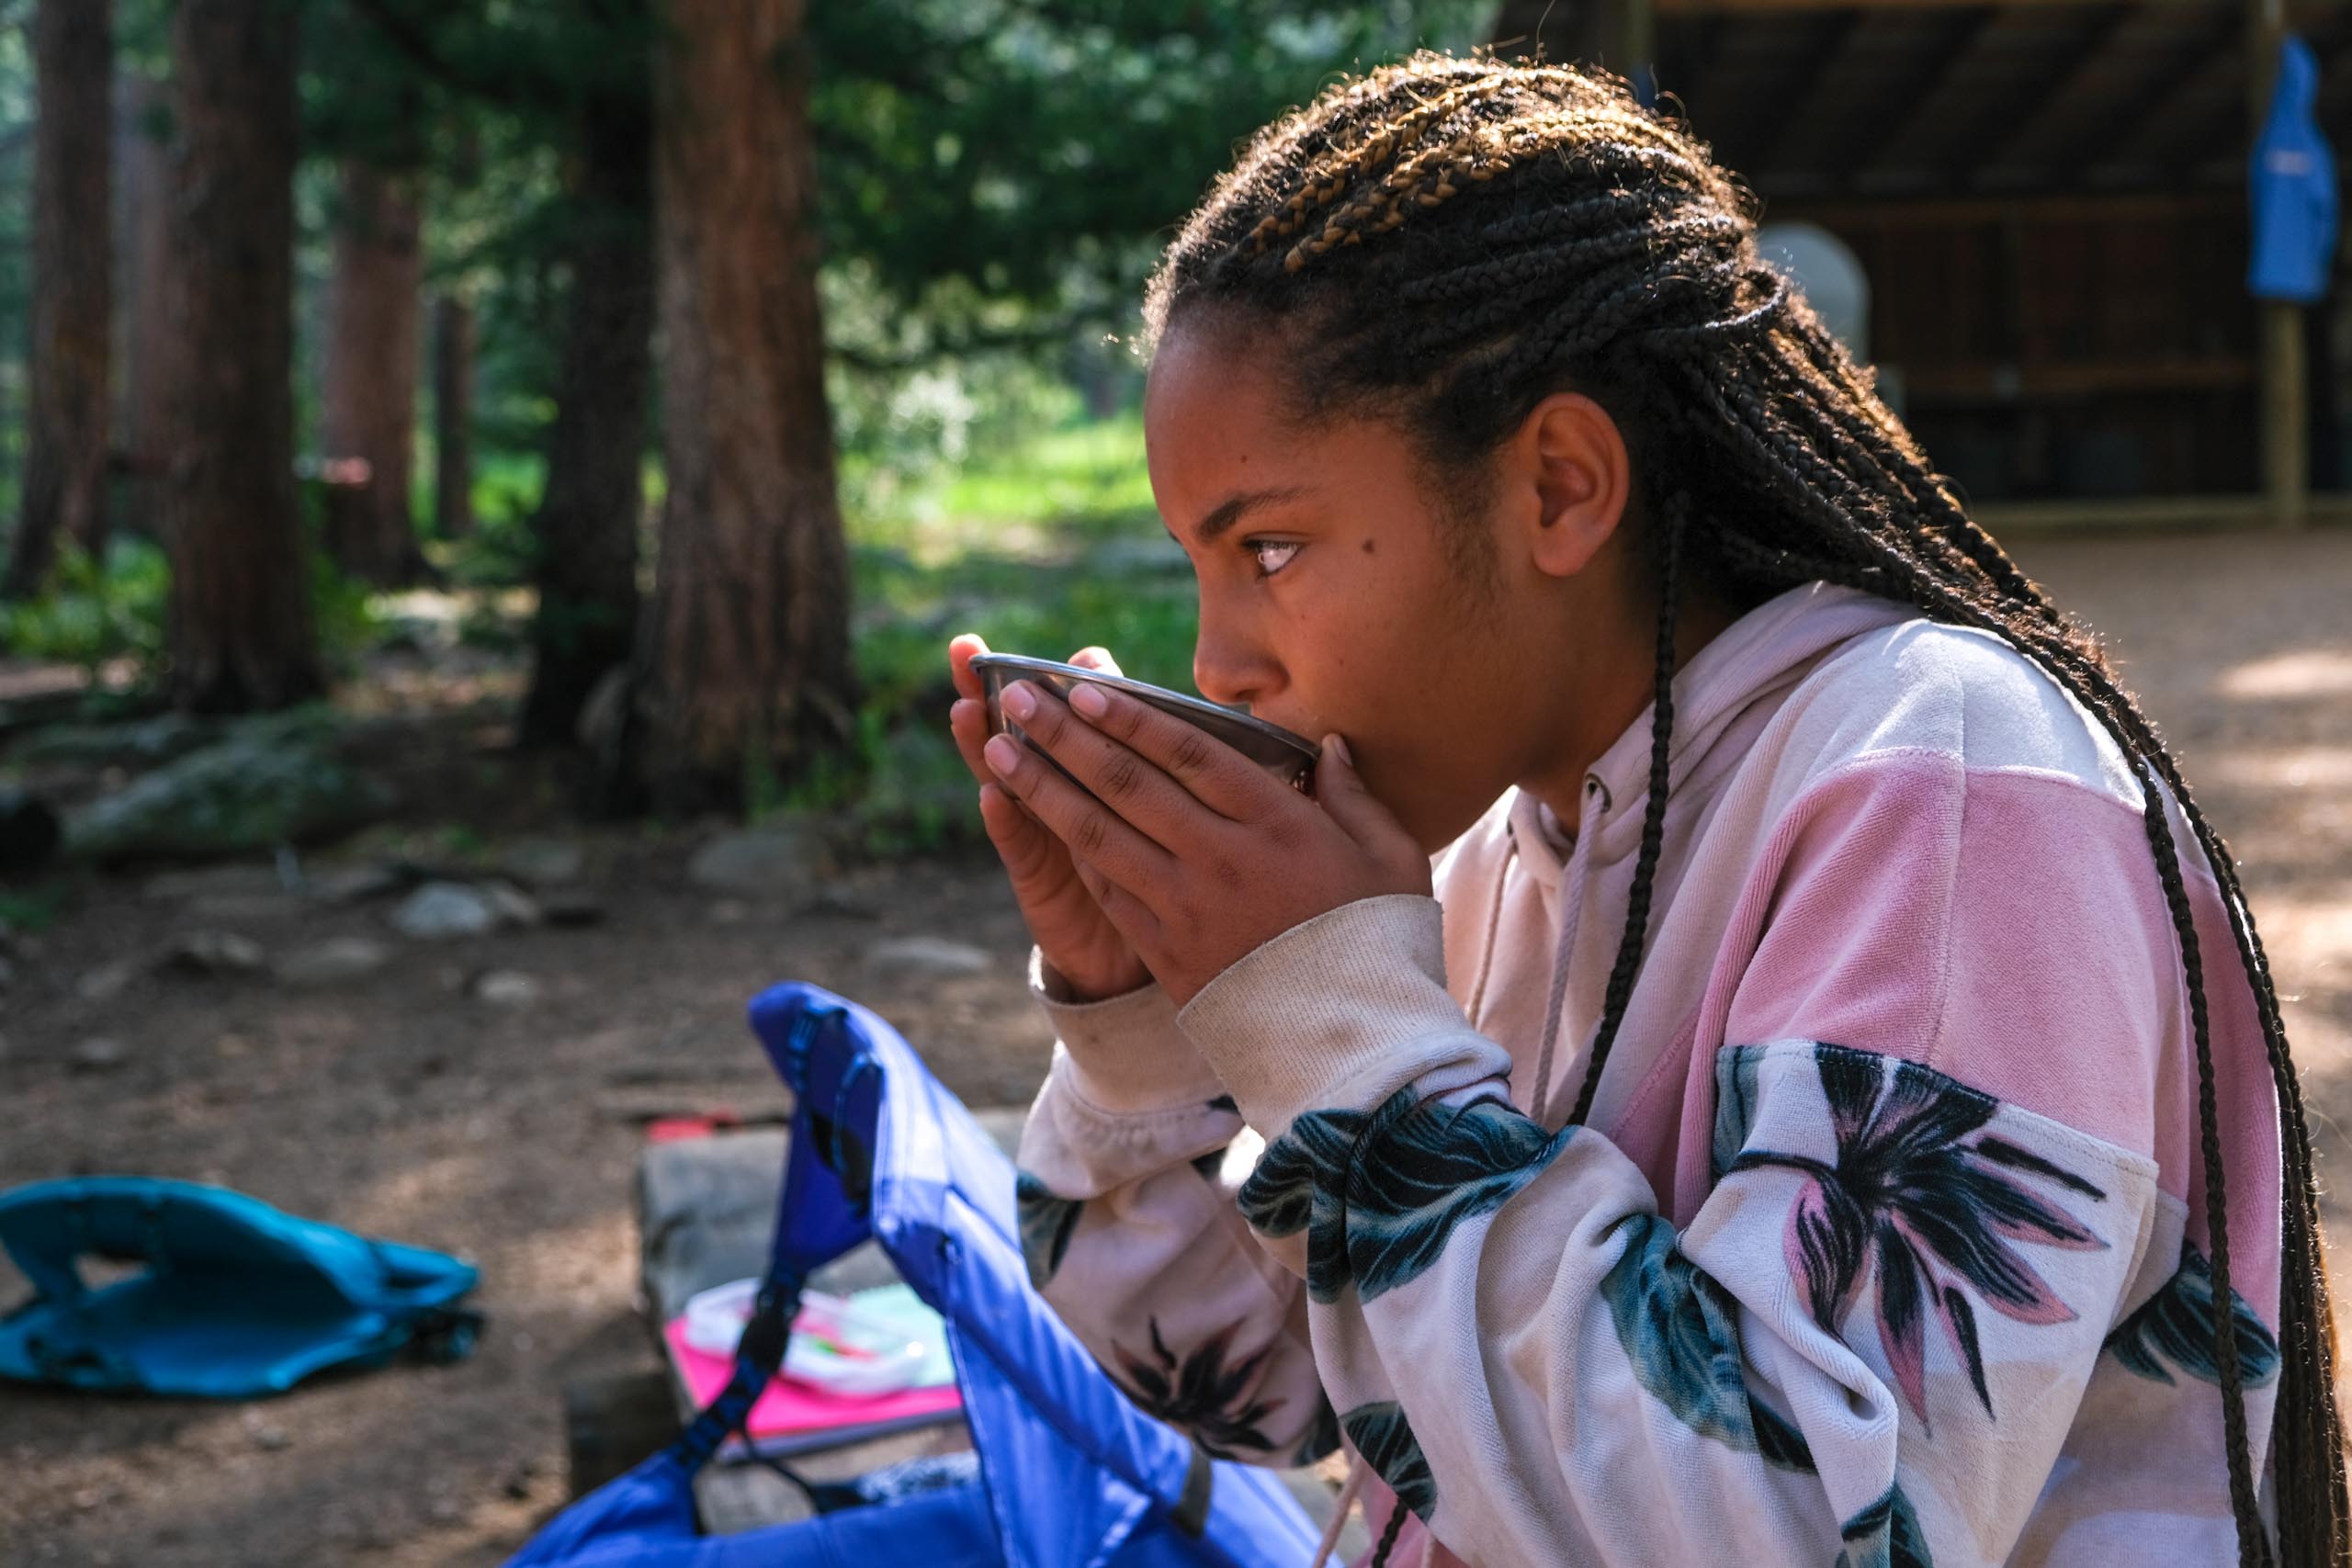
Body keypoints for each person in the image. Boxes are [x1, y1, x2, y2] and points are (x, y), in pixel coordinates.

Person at [942, 52, 2344, 1568]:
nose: (1221, 664)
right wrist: (1147, 1004)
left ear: (1557, 485)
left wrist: (1348, 1030)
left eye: (1269, 550)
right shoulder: (1496, 857)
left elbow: (1815, 1526)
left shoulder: (1945, 793)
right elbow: (1249, 1383)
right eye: (1197, 569)